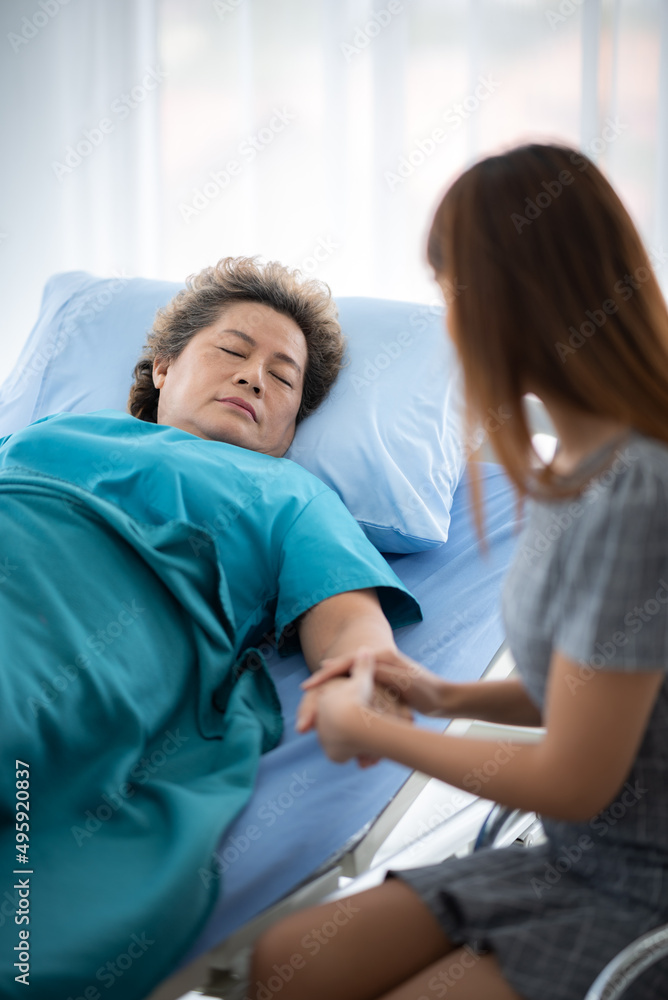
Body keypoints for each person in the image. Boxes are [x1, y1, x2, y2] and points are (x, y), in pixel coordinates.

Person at [250, 144, 668, 1000]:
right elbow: (595, 687)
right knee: (286, 964)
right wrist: (443, 696)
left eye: (453, 295)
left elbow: (578, 775)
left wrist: (376, 735)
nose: (448, 325)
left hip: (641, 886)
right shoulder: (563, 473)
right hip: (570, 857)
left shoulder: (639, 497)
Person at [0, 256, 421, 1000]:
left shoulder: (291, 494)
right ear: (162, 369)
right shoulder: (50, 432)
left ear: (292, 423)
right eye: (233, 351)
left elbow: (351, 625)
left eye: (283, 377)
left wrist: (362, 682)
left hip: (95, 613)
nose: (256, 376)